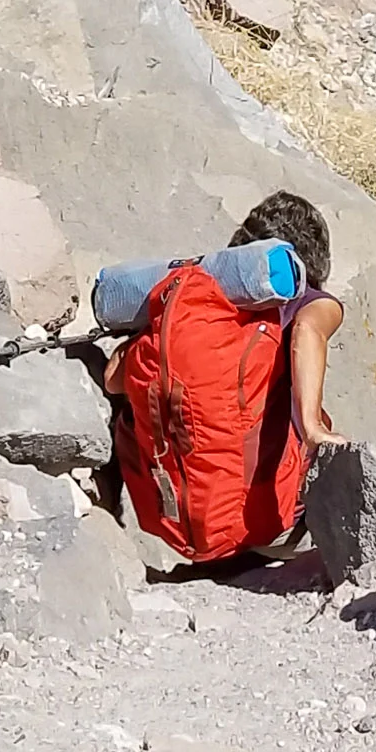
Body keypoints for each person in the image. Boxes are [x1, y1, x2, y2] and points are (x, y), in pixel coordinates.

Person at [99, 191, 346, 562]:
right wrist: (311, 426)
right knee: (337, 447)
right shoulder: (309, 301)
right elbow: (308, 332)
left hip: (172, 524)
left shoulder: (198, 301)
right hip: (273, 527)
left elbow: (113, 379)